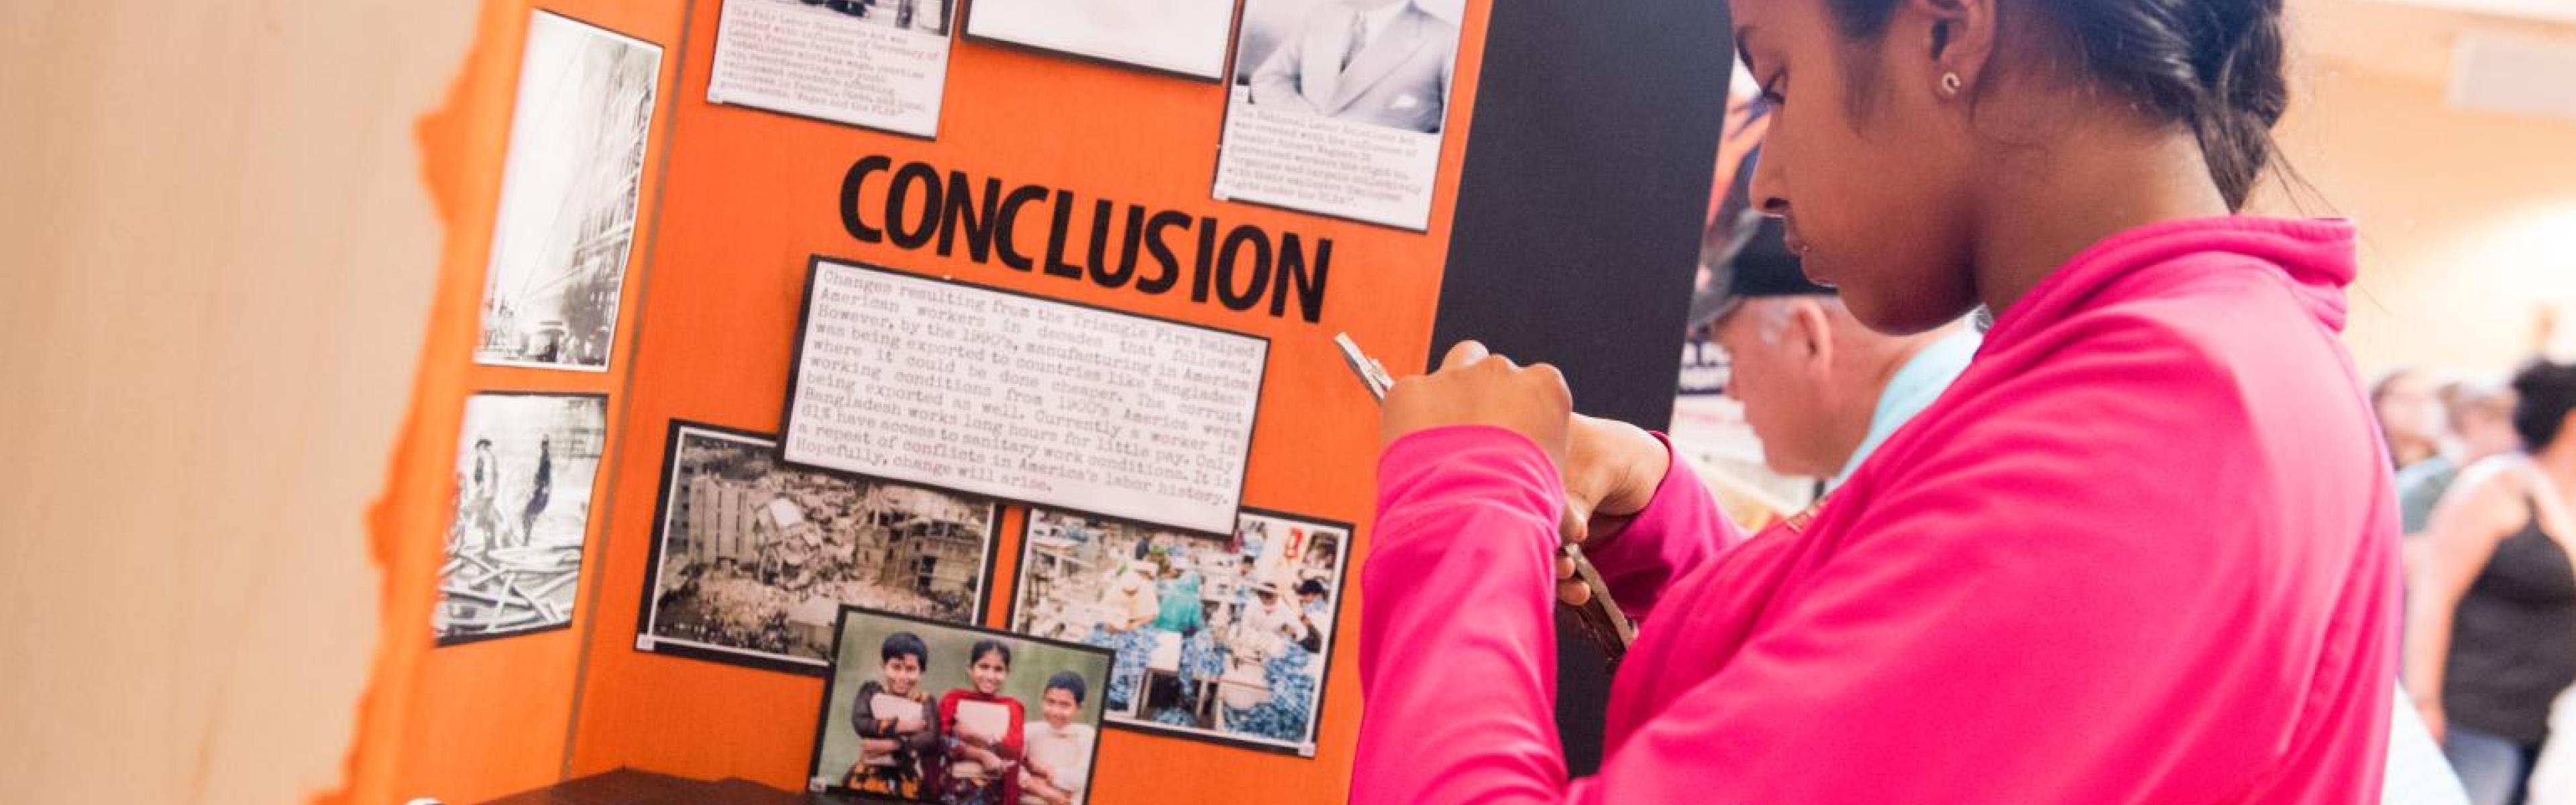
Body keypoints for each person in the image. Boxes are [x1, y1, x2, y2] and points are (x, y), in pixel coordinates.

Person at [1350, 0, 2402, 800]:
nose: (1762, 179)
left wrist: (1464, 506)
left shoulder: (2164, 421)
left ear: (1948, 27)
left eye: (1779, 83)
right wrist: (1668, 538)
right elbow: (1923, 717)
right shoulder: (2180, 372)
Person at [1701, 217, 1979, 488]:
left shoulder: (1922, 480)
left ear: (1810, 341)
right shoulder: (1965, 421)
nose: (1730, 389)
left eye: (1731, 354)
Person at [2408, 361, 2576, 805]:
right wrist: (2424, 704)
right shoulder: (2495, 488)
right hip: (2474, 713)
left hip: (2542, 717)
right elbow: (2434, 596)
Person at [1247, 0, 1454, 134]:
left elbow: (1455, 134)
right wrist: (1308, 124)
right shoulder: (1322, 17)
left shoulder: (1446, 38)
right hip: (1300, 169)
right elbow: (1268, 79)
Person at [2404, 381, 2525, 535]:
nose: (2519, 438)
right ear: (2477, 422)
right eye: (2512, 425)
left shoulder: (2515, 483)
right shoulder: (2426, 487)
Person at [847, 631, 943, 797]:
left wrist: (892, 746)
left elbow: (930, 738)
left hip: (906, 780)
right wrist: (904, 726)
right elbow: (861, 723)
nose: (902, 676)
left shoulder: (925, 702)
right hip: (867, 776)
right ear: (884, 666)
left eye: (911, 669)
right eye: (896, 667)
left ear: (922, 672)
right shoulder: (871, 692)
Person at [933, 640, 1026, 805]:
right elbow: (937, 741)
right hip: (954, 790)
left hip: (995, 794)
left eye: (998, 669)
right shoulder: (953, 700)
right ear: (970, 669)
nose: (990, 676)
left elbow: (1014, 748)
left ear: (1007, 673)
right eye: (984, 667)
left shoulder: (1012, 707)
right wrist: (982, 755)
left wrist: (973, 736)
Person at [1020, 672, 1097, 805]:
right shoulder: (1029, 731)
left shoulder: (1088, 735)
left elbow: (1081, 779)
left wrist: (1045, 770)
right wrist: (1044, 792)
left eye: (1065, 705)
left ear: (1079, 708)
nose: (1055, 711)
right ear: (1042, 700)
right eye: (1050, 702)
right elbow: (1014, 769)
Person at [2383, 368, 2449, 472]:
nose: (2417, 407)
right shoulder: (2372, 460)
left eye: (2427, 399)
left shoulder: (2450, 466)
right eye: (2405, 398)